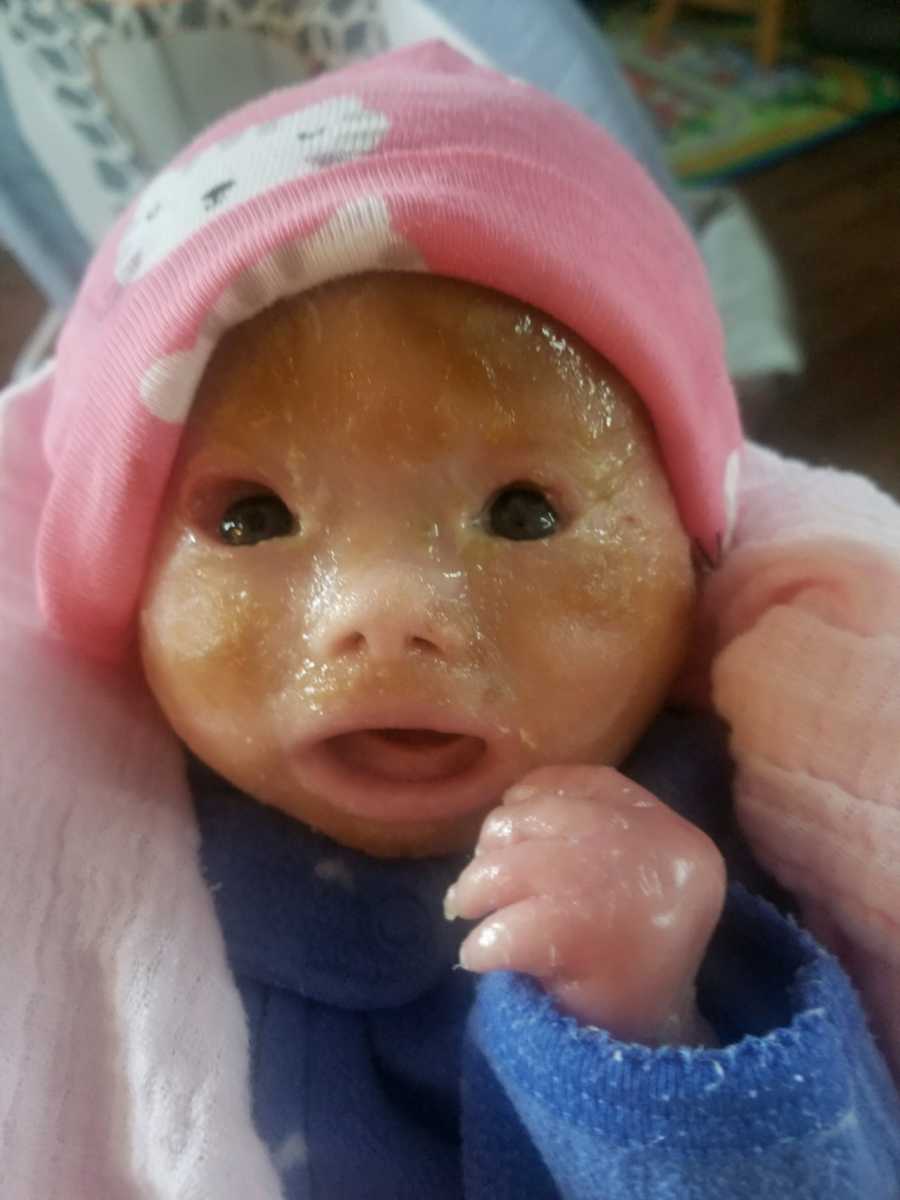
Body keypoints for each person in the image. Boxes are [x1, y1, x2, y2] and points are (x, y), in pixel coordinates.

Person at [2, 41, 900, 1199]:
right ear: (126, 587)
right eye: (251, 518)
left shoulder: (707, 846)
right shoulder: (107, 843)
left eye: (523, 512)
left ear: (689, 558)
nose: (387, 613)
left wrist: (649, 1012)